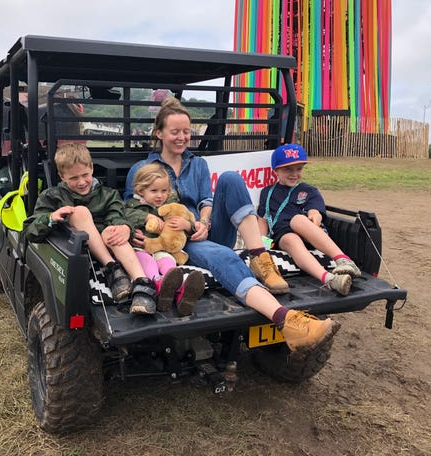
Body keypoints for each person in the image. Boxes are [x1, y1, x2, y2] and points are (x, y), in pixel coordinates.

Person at [124, 97, 340, 353]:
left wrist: (202, 222)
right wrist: (152, 229)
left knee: (230, 178)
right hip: (177, 243)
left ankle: (259, 256)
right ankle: (287, 320)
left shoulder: (198, 164)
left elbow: (207, 200)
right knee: (225, 256)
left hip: (202, 231)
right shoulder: (143, 168)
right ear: (159, 133)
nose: (182, 137)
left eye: (186, 131)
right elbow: (134, 209)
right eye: (175, 132)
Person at [24, 143, 158, 315]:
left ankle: (141, 283)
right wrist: (50, 218)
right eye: (73, 178)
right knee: (79, 212)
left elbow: (117, 214)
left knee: (114, 231)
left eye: (85, 175)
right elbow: (30, 231)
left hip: (107, 240)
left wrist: (125, 227)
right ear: (62, 176)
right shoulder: (52, 197)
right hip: (76, 247)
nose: (81, 182)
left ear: (92, 169)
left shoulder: (108, 194)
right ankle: (112, 269)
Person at [257, 144, 361, 296]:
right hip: (283, 235)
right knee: (290, 239)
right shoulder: (266, 192)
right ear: (275, 170)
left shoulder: (308, 190)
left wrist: (314, 218)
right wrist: (261, 244)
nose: (294, 174)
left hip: (310, 231)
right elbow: (262, 219)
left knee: (298, 220)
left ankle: (343, 260)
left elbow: (315, 213)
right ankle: (330, 280)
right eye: (288, 169)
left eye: (299, 169)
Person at [125, 163, 205, 316]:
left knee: (169, 263)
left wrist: (187, 225)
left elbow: (185, 231)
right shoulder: (133, 206)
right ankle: (158, 284)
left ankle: (181, 291)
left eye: (164, 191)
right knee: (147, 262)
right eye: (154, 191)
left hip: (163, 249)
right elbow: (126, 216)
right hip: (141, 248)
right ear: (141, 191)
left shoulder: (171, 207)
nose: (160, 195)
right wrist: (147, 216)